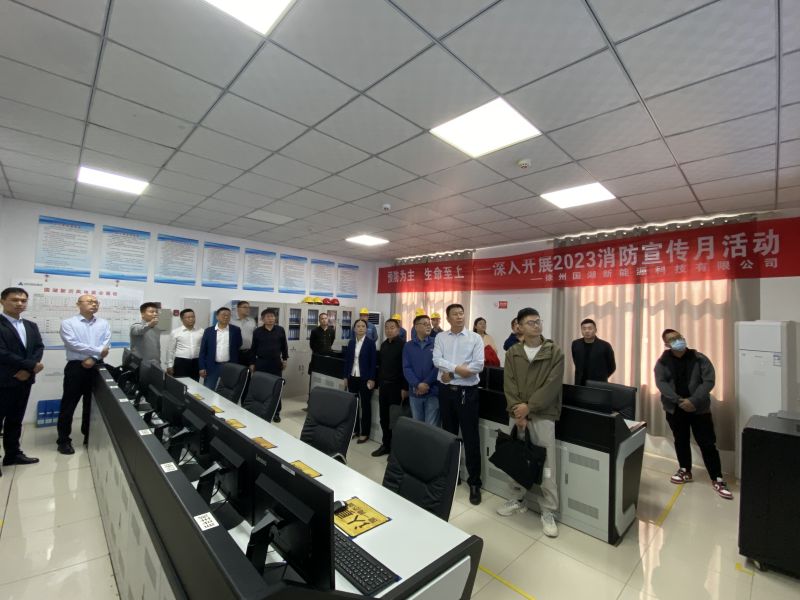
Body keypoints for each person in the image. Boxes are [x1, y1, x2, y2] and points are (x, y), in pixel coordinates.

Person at [497, 308, 564, 538]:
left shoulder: (554, 352)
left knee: (547, 465)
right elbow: (509, 384)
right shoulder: (513, 352)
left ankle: (549, 510)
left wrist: (529, 407)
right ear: (519, 327)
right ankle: (517, 498)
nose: (536, 325)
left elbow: (552, 385)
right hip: (517, 414)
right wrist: (519, 412)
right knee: (516, 457)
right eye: (530, 322)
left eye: (538, 321)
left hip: (543, 415)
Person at [655, 329, 733, 500]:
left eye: (679, 337)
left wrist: (694, 401)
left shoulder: (699, 358)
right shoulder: (662, 362)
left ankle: (717, 478)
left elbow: (708, 381)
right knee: (680, 440)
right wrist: (679, 401)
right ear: (667, 344)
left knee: (707, 443)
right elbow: (661, 383)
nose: (677, 341)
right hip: (675, 409)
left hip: (699, 409)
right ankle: (685, 470)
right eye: (672, 339)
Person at [433, 304, 484, 505]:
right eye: (455, 314)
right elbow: (437, 360)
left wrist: (452, 373)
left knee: (471, 438)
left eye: (461, 313)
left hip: (467, 393)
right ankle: (453, 475)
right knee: (450, 436)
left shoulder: (475, 338)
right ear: (448, 318)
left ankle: (475, 482)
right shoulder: (441, 337)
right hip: (446, 392)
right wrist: (458, 369)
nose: (459, 316)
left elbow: (478, 365)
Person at [58, 294, 111, 454]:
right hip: (76, 367)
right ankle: (63, 440)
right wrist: (97, 351)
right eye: (89, 301)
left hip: (96, 367)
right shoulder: (68, 323)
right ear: (78, 304)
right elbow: (72, 343)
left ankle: (88, 435)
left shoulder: (103, 323)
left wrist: (93, 358)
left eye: (96, 302)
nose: (94, 304)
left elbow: (106, 343)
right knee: (68, 405)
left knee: (91, 404)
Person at [0, 287, 44, 470]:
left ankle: (12, 454)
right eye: (14, 300)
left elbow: (38, 348)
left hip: (24, 380)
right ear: (2, 301)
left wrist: (28, 369)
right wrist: (30, 365)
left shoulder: (30, 325)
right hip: (4, 380)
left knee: (15, 419)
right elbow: (2, 352)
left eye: (23, 300)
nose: (19, 303)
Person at [372, 319, 408, 457]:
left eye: (392, 327)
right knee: (384, 418)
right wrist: (379, 384)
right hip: (384, 387)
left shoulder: (404, 345)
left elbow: (405, 368)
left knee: (396, 419)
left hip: (397, 388)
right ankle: (386, 445)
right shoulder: (384, 345)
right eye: (387, 327)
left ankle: (396, 449)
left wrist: (405, 387)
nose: (389, 330)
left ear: (398, 329)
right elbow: (381, 366)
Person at [250, 308, 289, 422]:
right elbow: (253, 348)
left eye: (272, 316)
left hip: (276, 363)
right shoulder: (257, 331)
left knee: (277, 387)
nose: (271, 318)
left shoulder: (280, 330)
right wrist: (252, 363)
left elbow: (284, 346)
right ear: (262, 319)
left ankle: (276, 412)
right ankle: (260, 410)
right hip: (261, 362)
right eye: (268, 316)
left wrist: (285, 359)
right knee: (261, 387)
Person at [343, 319, 377, 444]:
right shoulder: (351, 342)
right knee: (354, 405)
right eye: (358, 326)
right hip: (352, 377)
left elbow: (373, 363)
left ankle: (365, 433)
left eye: (363, 326)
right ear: (354, 329)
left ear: (366, 329)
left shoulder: (370, 343)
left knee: (365, 405)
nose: (361, 328)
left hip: (365, 378)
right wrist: (345, 377)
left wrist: (372, 378)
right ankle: (355, 429)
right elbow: (348, 361)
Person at [403, 314, 440, 426]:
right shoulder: (408, 346)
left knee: (431, 427)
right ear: (416, 327)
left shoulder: (437, 343)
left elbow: (438, 366)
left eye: (429, 324)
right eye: (425, 324)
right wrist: (417, 384)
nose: (428, 326)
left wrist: (426, 383)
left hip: (432, 391)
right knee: (417, 426)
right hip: (415, 392)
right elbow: (406, 368)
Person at [199, 307, 242, 391]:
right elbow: (203, 351)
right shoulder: (209, 331)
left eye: (228, 315)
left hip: (229, 366)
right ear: (217, 316)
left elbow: (239, 344)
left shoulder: (235, 330)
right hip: (212, 366)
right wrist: (202, 367)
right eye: (223, 315)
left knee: (227, 391)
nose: (226, 317)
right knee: (208, 389)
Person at [571, 318, 616, 386]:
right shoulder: (576, 344)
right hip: (580, 383)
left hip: (599, 384)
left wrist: (602, 376)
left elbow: (612, 366)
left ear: (595, 330)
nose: (587, 331)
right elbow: (576, 361)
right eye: (584, 329)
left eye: (590, 328)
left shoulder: (605, 346)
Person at [166, 308, 203, 381]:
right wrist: (169, 365)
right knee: (181, 383)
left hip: (196, 362)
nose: (191, 319)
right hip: (181, 362)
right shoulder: (176, 332)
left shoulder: (201, 331)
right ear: (182, 319)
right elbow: (170, 350)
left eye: (193, 317)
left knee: (195, 383)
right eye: (188, 317)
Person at [231, 301, 257, 369]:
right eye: (245, 307)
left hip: (249, 352)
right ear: (238, 308)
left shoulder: (252, 321)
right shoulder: (231, 320)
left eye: (248, 307)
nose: (247, 309)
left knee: (247, 373)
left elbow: (255, 336)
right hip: (234, 352)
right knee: (234, 372)